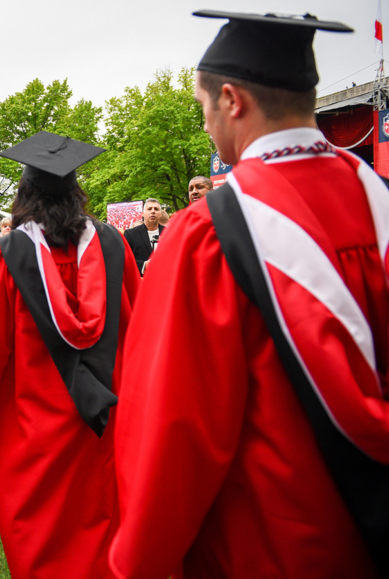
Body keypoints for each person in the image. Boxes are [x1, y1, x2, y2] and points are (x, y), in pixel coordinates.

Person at [109, 11, 389, 579]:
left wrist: (138, 557)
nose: (207, 127)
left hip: (268, 545)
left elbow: (174, 428)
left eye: (204, 108)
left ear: (232, 100)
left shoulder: (210, 231)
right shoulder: (379, 200)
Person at [0, 132, 140, 578]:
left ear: (25, 194)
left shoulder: (8, 255)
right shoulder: (114, 246)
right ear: (77, 191)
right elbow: (142, 327)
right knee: (105, 537)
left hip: (32, 428)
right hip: (108, 424)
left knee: (42, 546)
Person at [123, 198, 164, 275]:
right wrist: (144, 265)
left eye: (156, 209)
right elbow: (125, 259)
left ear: (160, 214)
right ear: (143, 213)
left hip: (164, 279)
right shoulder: (130, 234)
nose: (153, 211)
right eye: (149, 209)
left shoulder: (168, 232)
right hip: (141, 281)